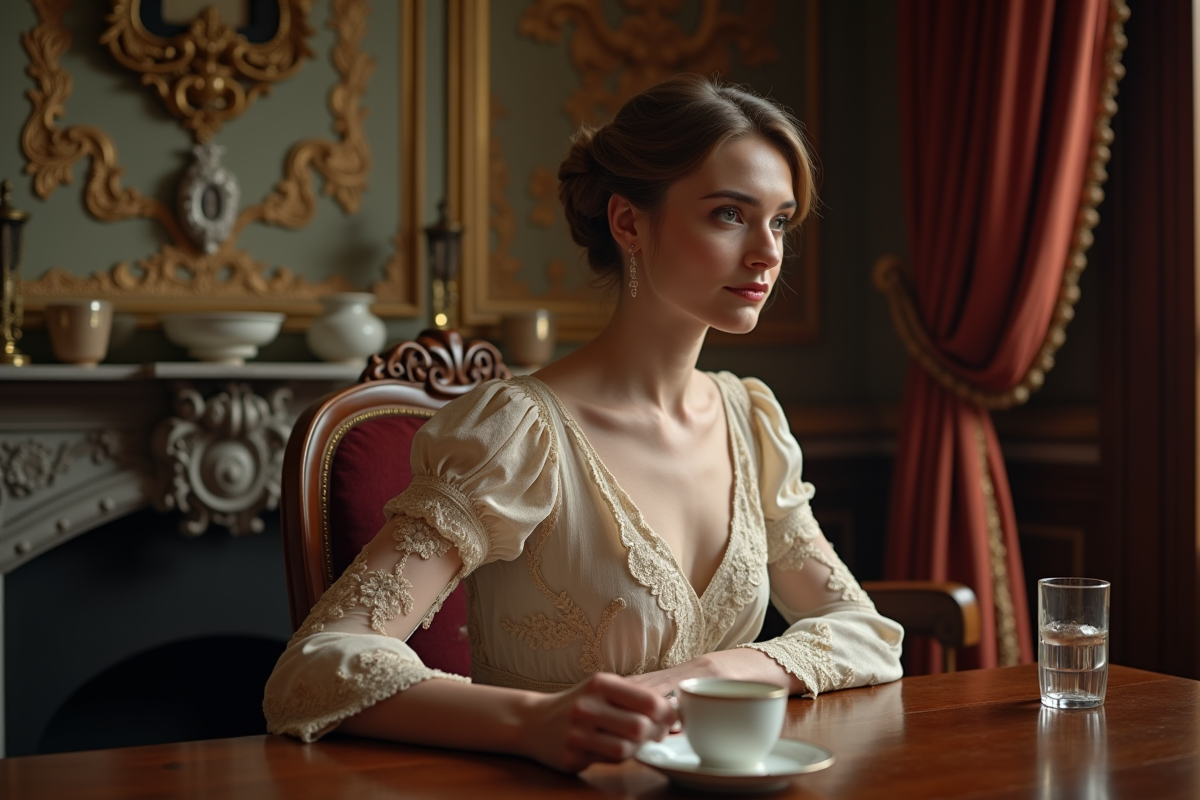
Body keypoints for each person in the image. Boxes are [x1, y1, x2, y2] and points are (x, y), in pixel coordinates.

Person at [263, 73, 903, 773]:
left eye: (780, 221)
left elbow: (865, 633)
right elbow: (314, 666)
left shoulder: (748, 420)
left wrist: (717, 670)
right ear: (628, 223)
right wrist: (531, 721)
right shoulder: (517, 434)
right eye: (729, 214)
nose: (768, 253)